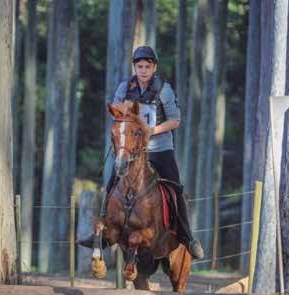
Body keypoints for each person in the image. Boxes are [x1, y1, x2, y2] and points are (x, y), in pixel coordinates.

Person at [81, 46, 204, 259]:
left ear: (154, 67)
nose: (144, 70)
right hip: (133, 150)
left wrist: (151, 131)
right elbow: (117, 116)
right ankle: (101, 234)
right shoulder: (124, 87)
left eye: (148, 66)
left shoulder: (164, 89)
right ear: (134, 67)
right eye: (140, 66)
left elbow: (175, 120)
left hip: (160, 148)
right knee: (111, 183)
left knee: (176, 189)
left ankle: (187, 237)